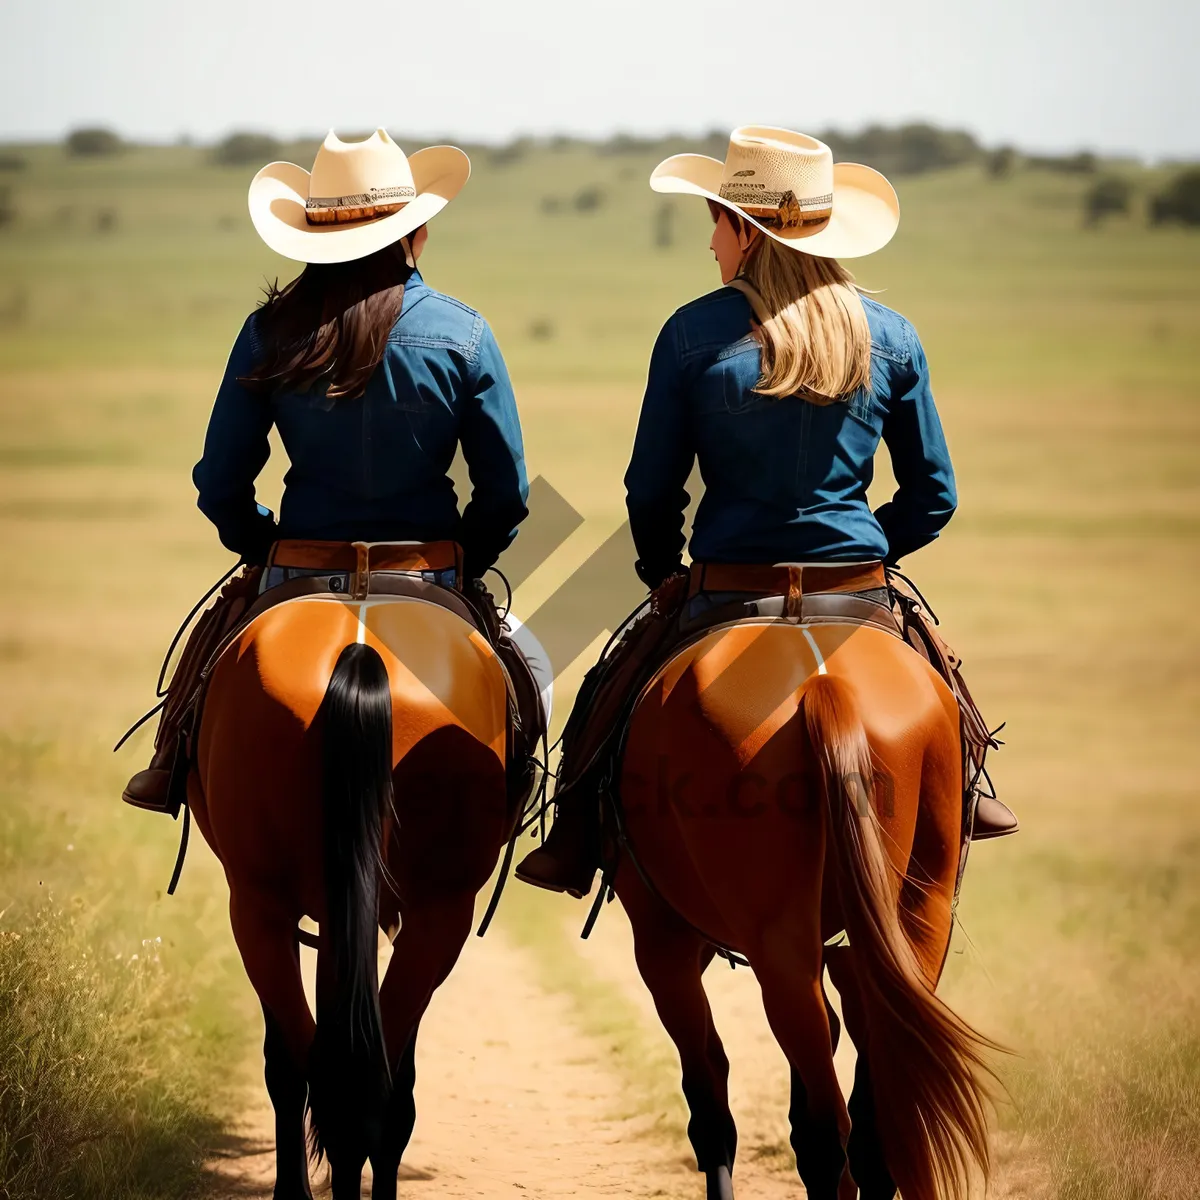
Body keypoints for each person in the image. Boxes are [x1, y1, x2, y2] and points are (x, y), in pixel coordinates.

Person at [516, 125, 1016, 898]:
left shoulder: (691, 334)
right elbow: (935, 496)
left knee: (610, 688)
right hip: (858, 583)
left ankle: (575, 831)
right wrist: (868, 553)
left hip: (725, 586)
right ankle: (970, 782)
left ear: (744, 231)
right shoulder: (892, 337)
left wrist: (661, 572)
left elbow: (651, 490)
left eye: (713, 223)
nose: (709, 244)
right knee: (942, 680)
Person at [123, 129, 550, 811]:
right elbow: (507, 492)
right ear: (416, 230)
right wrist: (470, 558)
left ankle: (170, 761)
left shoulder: (270, 331)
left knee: (205, 665)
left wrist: (262, 545)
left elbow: (220, 482)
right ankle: (524, 787)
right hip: (429, 569)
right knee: (530, 677)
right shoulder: (464, 334)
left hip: (298, 566)